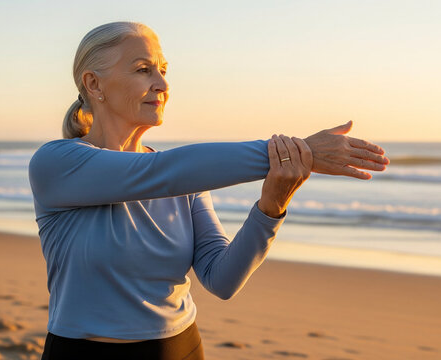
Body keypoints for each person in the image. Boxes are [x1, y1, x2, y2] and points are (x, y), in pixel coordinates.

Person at [30, 21, 389, 360]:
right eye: (143, 69)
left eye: (163, 70)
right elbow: (157, 173)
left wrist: (271, 205)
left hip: (179, 348)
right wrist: (301, 151)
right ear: (93, 84)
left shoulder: (185, 180)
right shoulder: (58, 163)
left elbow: (223, 279)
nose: (162, 85)